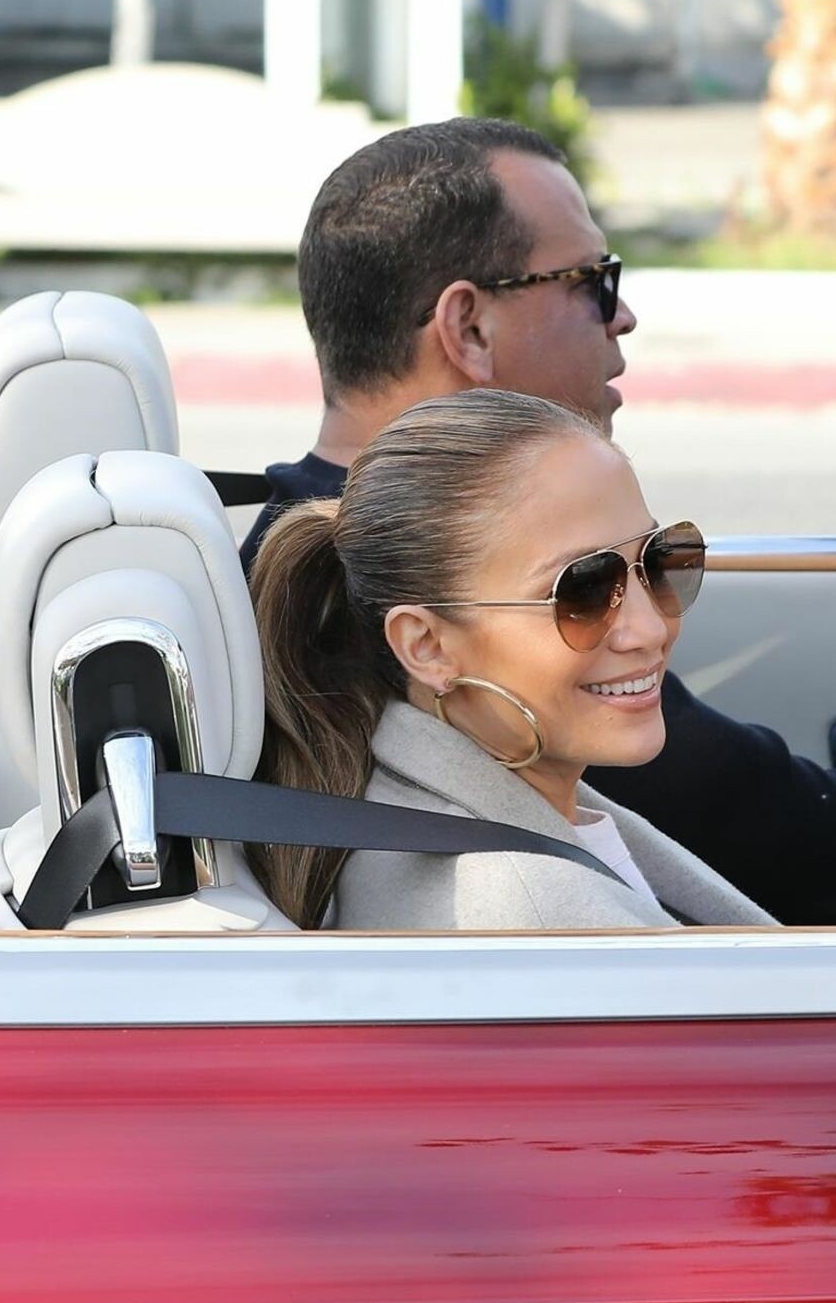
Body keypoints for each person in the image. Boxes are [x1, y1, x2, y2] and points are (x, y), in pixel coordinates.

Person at [242, 116, 836, 925]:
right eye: (590, 282)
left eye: (661, 562)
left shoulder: (301, 582)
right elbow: (772, 824)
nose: (623, 315)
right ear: (468, 326)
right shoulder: (522, 880)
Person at [249, 390, 772, 931]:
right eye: (584, 589)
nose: (650, 629)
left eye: (656, 561)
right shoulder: (536, 914)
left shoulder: (435, 807)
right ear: (427, 646)